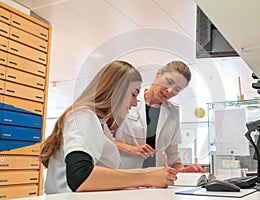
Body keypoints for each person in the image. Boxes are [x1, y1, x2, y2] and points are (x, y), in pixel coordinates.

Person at [40, 60, 177, 194]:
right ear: (116, 91)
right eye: (133, 94)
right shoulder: (83, 116)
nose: (135, 103)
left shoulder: (100, 124)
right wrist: (145, 178)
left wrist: (147, 174)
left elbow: (102, 174)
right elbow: (80, 177)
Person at [114, 61, 205, 172]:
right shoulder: (128, 98)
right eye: (169, 82)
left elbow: (172, 155)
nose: (170, 90)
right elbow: (104, 137)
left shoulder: (173, 113)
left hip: (154, 179)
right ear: (159, 74)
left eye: (177, 89)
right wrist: (130, 149)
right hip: (122, 173)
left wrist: (182, 170)